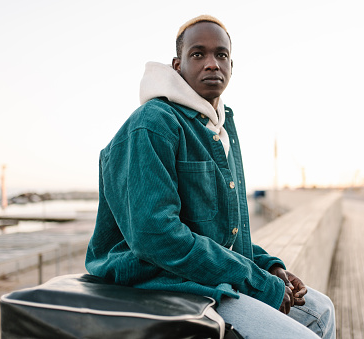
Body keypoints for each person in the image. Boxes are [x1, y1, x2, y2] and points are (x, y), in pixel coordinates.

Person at [85, 15, 335, 339]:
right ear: (177, 66)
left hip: (206, 275)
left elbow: (220, 233)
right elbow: (157, 237)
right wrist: (258, 282)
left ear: (232, 64)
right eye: (198, 54)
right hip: (164, 281)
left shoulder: (219, 127)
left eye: (221, 55)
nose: (212, 64)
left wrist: (269, 266)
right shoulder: (152, 124)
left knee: (321, 311)